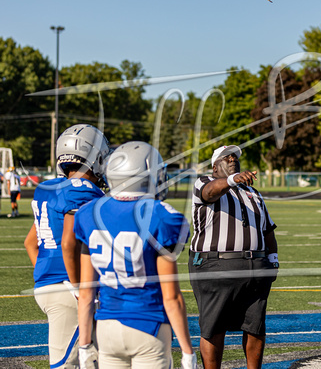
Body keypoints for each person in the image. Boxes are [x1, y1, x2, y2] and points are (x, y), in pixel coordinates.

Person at [74, 141, 196, 369]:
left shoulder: (89, 213)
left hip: (107, 328)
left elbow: (87, 291)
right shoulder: (160, 217)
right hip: (149, 326)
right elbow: (171, 297)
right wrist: (188, 352)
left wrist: (84, 345)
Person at [23, 124, 109, 369]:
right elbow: (68, 243)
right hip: (70, 291)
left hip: (48, 286)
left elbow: (31, 243)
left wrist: (48, 277)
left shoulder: (47, 188)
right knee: (66, 365)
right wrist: (78, 287)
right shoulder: (84, 192)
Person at [189, 144, 279, 369]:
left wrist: (273, 260)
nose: (232, 158)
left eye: (235, 157)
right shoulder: (204, 182)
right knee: (213, 327)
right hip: (216, 265)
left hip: (256, 267)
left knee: (255, 326)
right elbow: (209, 193)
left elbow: (267, 229)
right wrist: (232, 180)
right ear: (214, 166)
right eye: (226, 157)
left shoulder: (253, 194)